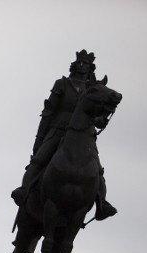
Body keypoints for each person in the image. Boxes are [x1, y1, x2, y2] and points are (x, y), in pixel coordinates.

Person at [11, 50, 116, 221]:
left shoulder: (92, 89)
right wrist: (40, 138)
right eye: (80, 63)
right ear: (75, 65)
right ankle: (24, 190)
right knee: (39, 160)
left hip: (83, 135)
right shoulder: (62, 84)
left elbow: (99, 113)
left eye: (86, 64)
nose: (82, 66)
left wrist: (101, 119)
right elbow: (48, 112)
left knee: (98, 169)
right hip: (58, 130)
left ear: (91, 68)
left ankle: (102, 203)